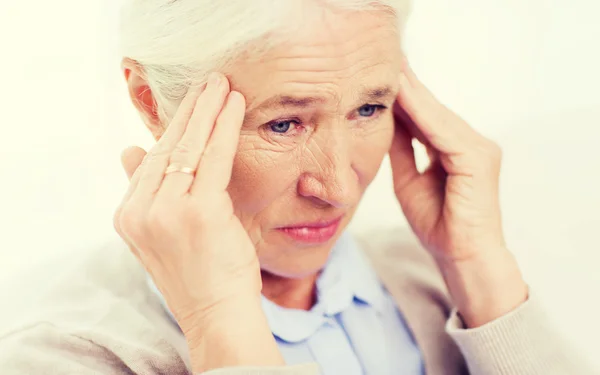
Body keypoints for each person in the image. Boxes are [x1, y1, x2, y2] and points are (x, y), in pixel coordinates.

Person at [0, 1, 592, 374]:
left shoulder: (437, 280)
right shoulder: (64, 356)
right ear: (151, 101)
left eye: (368, 107)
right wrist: (220, 324)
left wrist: (482, 273)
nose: (337, 188)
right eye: (283, 123)